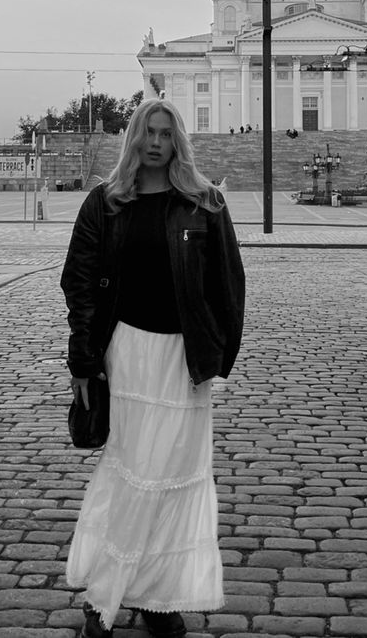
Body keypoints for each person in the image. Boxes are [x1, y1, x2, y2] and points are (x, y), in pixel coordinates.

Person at [61, 97, 245, 638]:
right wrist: (84, 358)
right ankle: (105, 594)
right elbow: (79, 281)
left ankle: (159, 598)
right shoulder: (106, 202)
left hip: (182, 359)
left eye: (166, 133)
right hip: (128, 353)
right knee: (133, 473)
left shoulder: (204, 202)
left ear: (178, 141)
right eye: (148, 132)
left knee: (172, 479)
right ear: (135, 139)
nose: (156, 142)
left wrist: (217, 354)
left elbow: (227, 284)